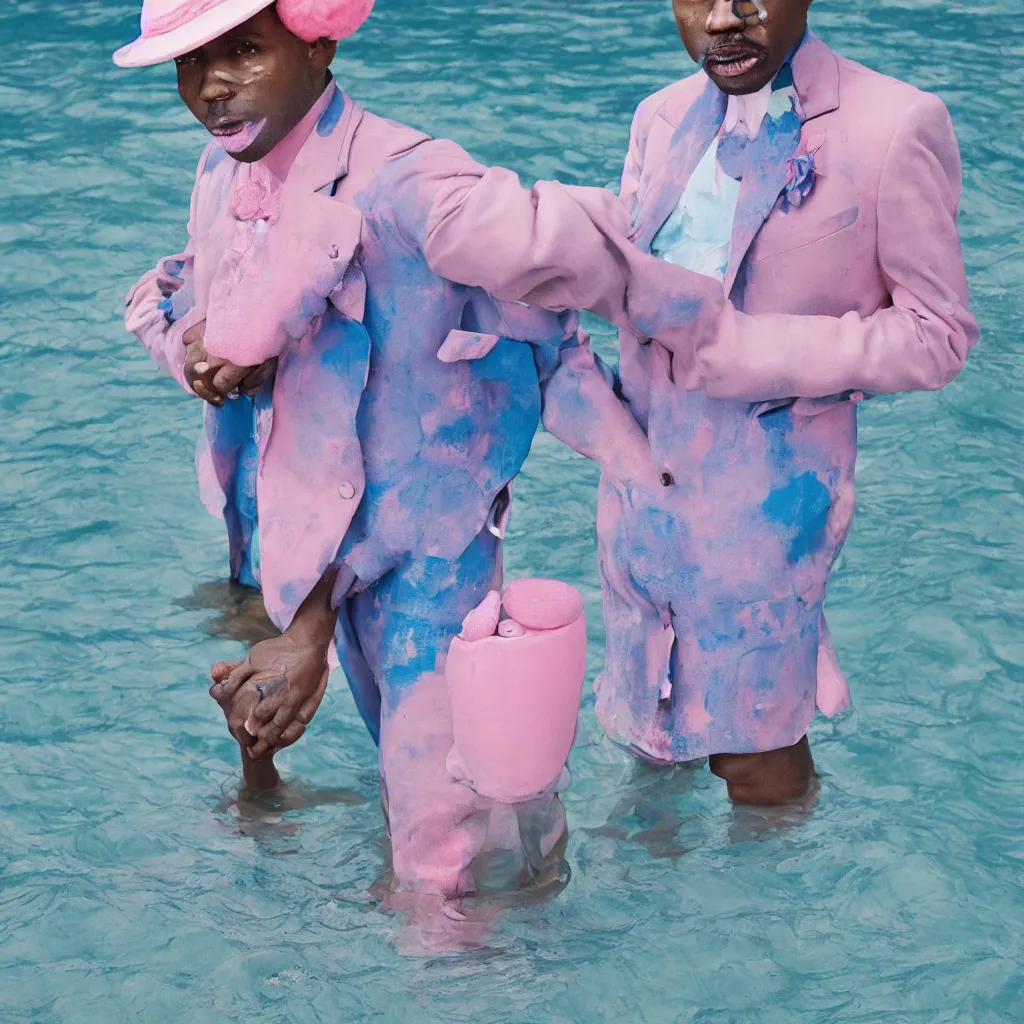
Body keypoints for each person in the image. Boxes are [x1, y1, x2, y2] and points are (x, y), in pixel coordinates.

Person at [116, 0, 715, 896]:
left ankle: (479, 965)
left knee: (438, 850)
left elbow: (572, 250)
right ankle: (535, 911)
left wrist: (724, 336)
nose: (210, 86)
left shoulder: (412, 183)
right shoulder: (223, 173)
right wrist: (194, 348)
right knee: (462, 805)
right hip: (321, 558)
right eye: (187, 63)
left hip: (434, 559)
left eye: (242, 50)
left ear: (316, 40)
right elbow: (181, 299)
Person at [590, 0, 979, 804]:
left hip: (770, 515)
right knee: (646, 733)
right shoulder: (659, 116)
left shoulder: (897, 124)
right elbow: (634, 279)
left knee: (758, 753)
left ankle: (768, 920)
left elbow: (939, 334)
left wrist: (755, 352)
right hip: (638, 499)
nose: (725, 18)